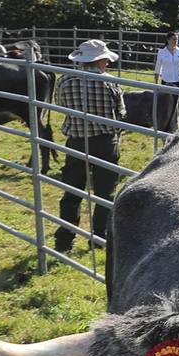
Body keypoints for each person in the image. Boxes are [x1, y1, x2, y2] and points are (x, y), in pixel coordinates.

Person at [55, 39, 126, 257]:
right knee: (105, 193)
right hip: (105, 142)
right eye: (106, 60)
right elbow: (121, 113)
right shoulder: (111, 83)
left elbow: (60, 105)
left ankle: (65, 239)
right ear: (100, 60)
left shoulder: (64, 80)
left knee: (72, 191)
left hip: (76, 141)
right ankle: (99, 237)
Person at [154, 31, 179, 123]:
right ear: (168, 40)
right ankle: (168, 118)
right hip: (167, 80)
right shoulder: (161, 52)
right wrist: (156, 84)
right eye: (174, 39)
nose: (175, 41)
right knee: (167, 101)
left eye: (177, 39)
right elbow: (157, 68)